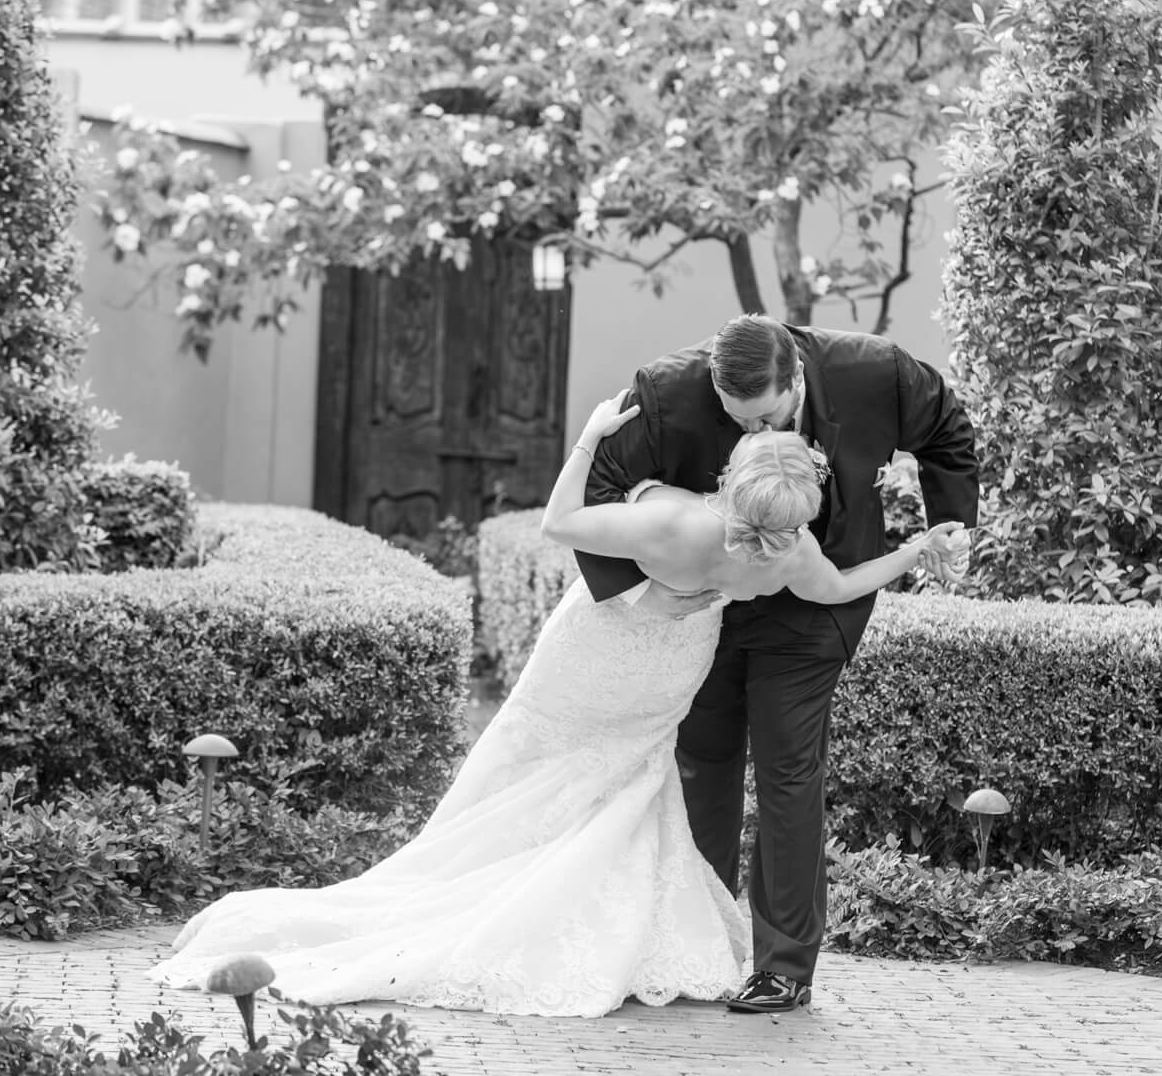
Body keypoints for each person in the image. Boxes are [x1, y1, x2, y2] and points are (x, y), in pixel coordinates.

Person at [147, 391, 967, 1019]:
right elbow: (843, 587)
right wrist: (916, 548)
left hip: (596, 650)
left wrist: (592, 435)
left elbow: (557, 523)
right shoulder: (791, 554)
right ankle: (606, 925)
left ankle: (502, 889)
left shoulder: (674, 521)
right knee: (627, 784)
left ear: (732, 480)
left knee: (525, 764)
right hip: (669, 670)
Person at [577, 313, 978, 1013]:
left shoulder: (874, 372)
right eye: (735, 420)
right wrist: (646, 593)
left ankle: (783, 968)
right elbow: (598, 486)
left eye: (765, 418)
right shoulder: (665, 392)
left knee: (789, 770)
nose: (752, 434)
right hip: (704, 606)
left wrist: (948, 526)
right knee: (702, 765)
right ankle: (695, 948)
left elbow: (947, 429)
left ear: (795, 376)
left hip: (817, 599)